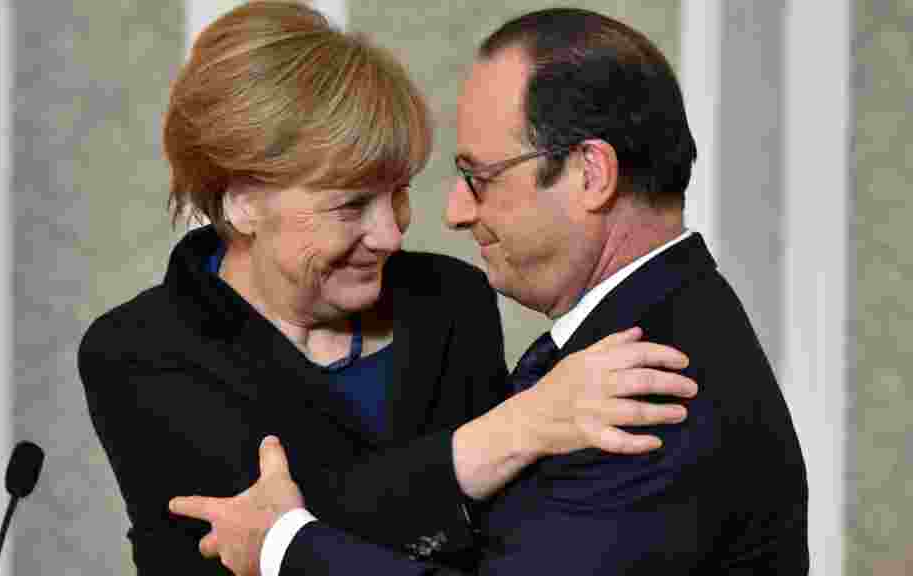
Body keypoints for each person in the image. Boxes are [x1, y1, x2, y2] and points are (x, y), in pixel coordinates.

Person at [169, 7, 811, 576]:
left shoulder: (652, 385)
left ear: (591, 174)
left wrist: (286, 547)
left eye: (479, 176)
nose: (451, 212)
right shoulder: (626, 339)